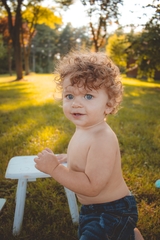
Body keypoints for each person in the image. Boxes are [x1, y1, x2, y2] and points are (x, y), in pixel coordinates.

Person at [34, 51, 144, 240]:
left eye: (88, 96)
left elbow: (92, 187)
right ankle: (130, 236)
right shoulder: (86, 128)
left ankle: (129, 233)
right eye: (69, 96)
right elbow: (88, 158)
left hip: (113, 211)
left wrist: (55, 168)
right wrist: (70, 158)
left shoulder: (103, 138)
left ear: (108, 105)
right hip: (92, 209)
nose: (76, 103)